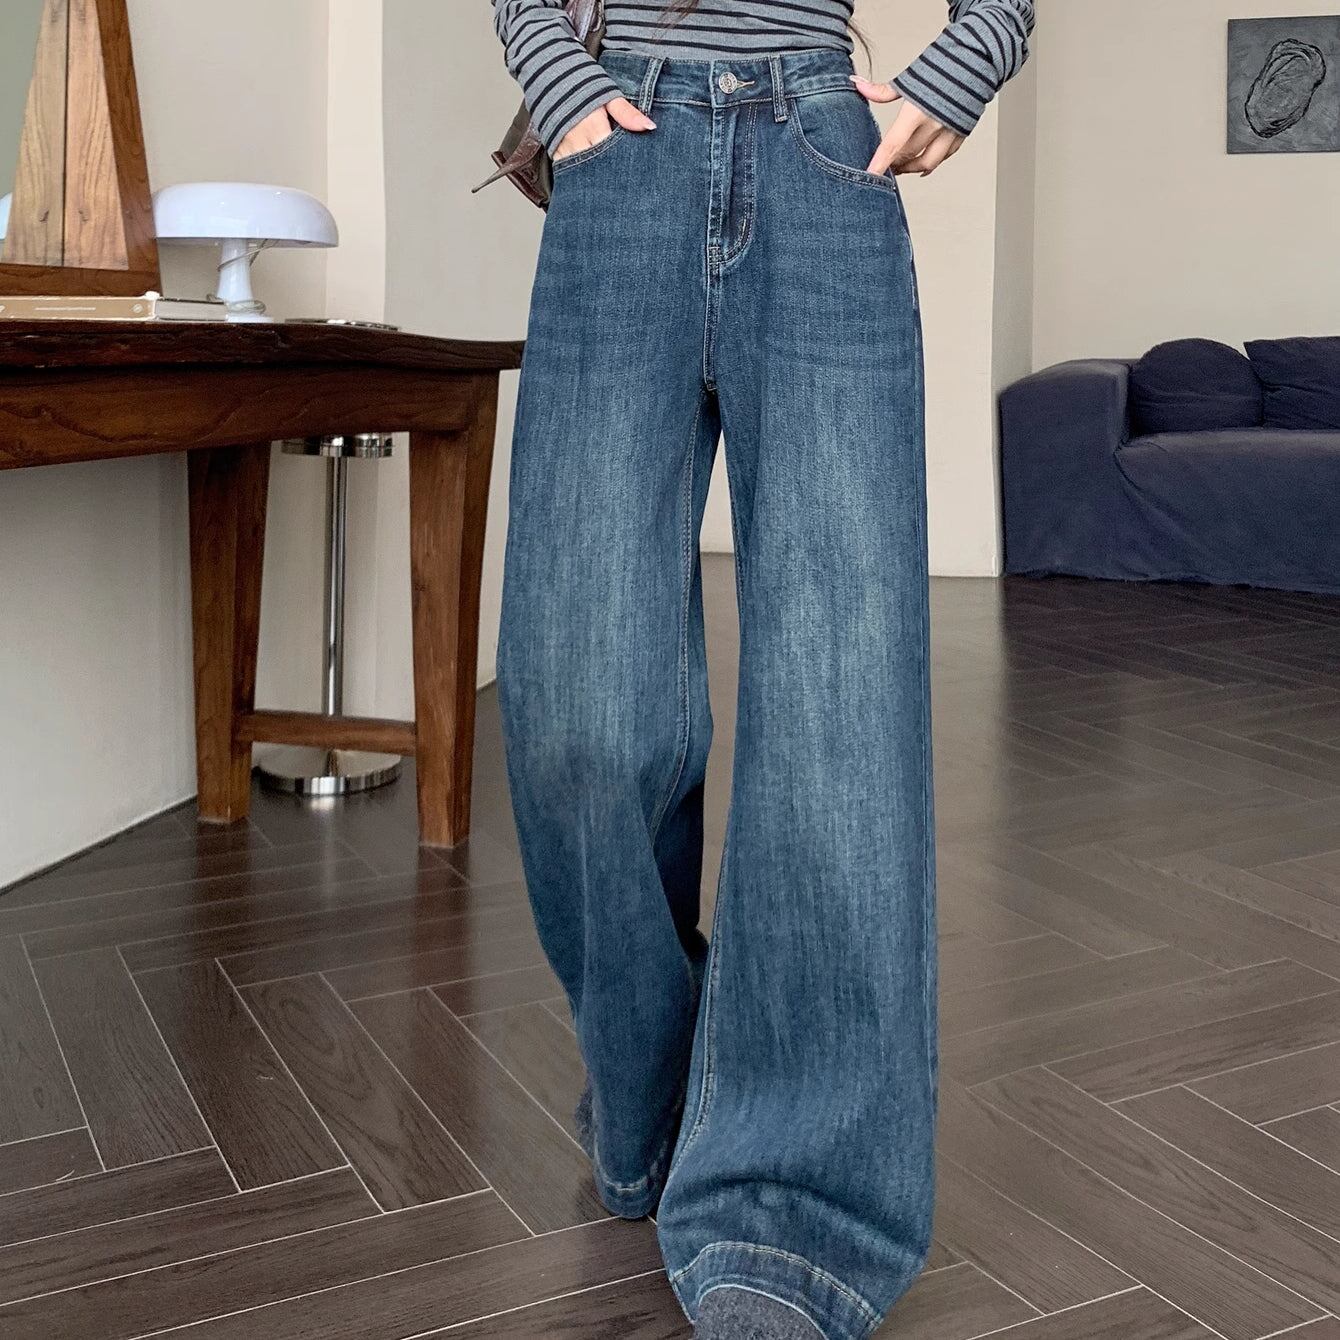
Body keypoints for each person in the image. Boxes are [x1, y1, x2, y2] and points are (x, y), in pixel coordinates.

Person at [489, 3, 1034, 1337]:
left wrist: (979, 47)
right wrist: (551, 66)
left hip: (818, 154)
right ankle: (654, 1092)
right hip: (620, 157)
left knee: (840, 705)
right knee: (579, 711)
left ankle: (794, 1213)